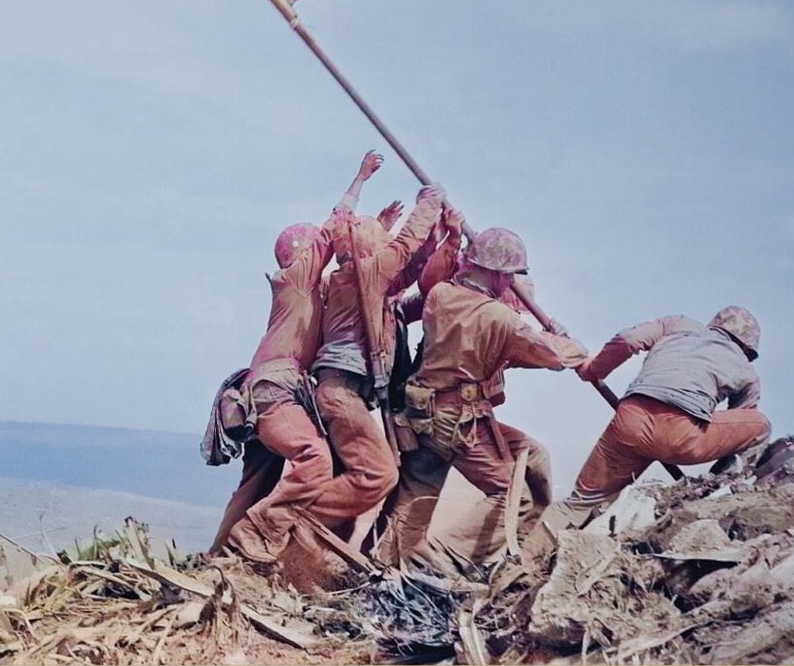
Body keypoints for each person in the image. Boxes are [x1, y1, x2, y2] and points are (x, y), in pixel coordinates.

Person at [378, 226, 588, 569]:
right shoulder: (499, 318)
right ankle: (438, 562)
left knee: (418, 494)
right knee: (514, 496)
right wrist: (569, 343)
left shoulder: (441, 295)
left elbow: (500, 351)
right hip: (458, 422)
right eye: (509, 275)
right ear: (496, 273)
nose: (511, 282)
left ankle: (385, 564)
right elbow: (553, 355)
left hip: (423, 413)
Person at [216, 153, 379, 564]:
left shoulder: (306, 293)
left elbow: (358, 261)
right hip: (275, 391)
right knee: (314, 459)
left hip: (264, 392)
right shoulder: (295, 280)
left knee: (256, 483)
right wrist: (359, 180)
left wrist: (382, 228)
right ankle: (256, 536)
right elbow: (333, 228)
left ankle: (219, 557)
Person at [304, 180, 460, 537]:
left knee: (352, 478)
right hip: (341, 392)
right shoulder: (362, 275)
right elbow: (404, 248)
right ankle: (288, 523)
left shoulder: (367, 287)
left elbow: (410, 272)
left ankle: (314, 545)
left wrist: (440, 240)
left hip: (346, 393)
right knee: (379, 473)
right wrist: (429, 202)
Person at [565, 307, 769, 505]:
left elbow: (628, 340)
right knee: (760, 425)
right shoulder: (747, 370)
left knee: (579, 502)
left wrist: (594, 369)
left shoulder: (677, 324)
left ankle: (557, 521)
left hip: (630, 422)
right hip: (681, 436)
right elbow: (742, 423)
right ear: (747, 347)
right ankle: (722, 488)